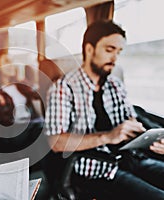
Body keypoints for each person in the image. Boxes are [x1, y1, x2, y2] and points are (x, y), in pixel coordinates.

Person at [45, 20, 164, 199]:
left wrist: (150, 140)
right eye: (109, 50)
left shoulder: (115, 85)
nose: (115, 58)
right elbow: (56, 142)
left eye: (119, 52)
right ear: (89, 49)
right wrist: (108, 136)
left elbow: (131, 122)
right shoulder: (63, 88)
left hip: (132, 158)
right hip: (97, 170)